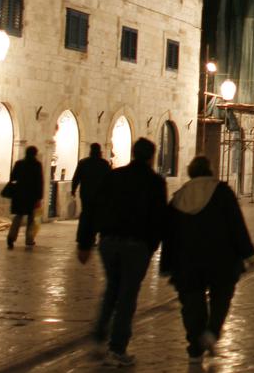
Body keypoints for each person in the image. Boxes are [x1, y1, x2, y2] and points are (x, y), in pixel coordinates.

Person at [160, 156, 254, 364]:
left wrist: (166, 264)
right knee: (222, 296)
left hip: (187, 260)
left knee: (191, 302)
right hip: (220, 258)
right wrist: (248, 252)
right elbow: (236, 224)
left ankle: (195, 347)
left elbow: (169, 234)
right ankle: (211, 332)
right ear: (210, 170)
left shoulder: (179, 196)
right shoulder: (222, 192)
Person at [85, 137, 168, 367]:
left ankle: (99, 336)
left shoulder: (115, 176)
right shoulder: (155, 182)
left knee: (112, 288)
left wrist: (86, 240)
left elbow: (94, 206)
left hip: (109, 242)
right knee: (127, 296)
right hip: (136, 245)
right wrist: (152, 246)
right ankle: (117, 348)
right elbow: (160, 219)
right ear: (151, 157)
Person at [72, 143, 111, 252]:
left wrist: (73, 189)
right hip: (99, 195)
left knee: (85, 215)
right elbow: (109, 180)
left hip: (86, 194)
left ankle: (81, 237)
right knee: (96, 216)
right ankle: (92, 238)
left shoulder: (83, 163)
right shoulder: (104, 164)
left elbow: (76, 177)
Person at [6, 146, 44, 249]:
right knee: (31, 219)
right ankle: (29, 240)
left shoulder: (19, 163)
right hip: (31, 196)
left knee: (18, 217)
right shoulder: (37, 165)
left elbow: (13, 177)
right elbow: (39, 182)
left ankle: (11, 237)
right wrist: (39, 197)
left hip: (19, 194)